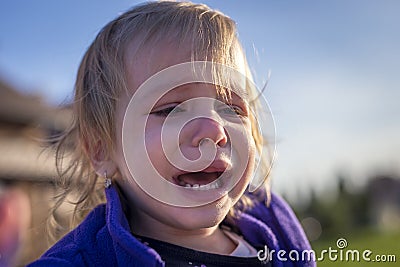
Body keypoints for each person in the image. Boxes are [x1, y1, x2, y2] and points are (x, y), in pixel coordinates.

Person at [29, 1, 315, 266]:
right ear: (101, 148)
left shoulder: (276, 229)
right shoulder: (85, 261)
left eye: (231, 108)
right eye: (170, 110)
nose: (213, 130)